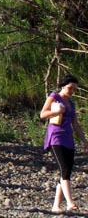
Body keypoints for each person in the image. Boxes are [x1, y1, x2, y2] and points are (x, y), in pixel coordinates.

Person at [40, 74, 88, 214]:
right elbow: (43, 114)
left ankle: (56, 206)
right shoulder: (54, 97)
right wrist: (55, 111)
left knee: (66, 172)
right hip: (56, 137)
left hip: (68, 139)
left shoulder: (71, 104)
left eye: (74, 89)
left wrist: (85, 141)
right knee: (64, 169)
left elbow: (75, 124)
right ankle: (70, 202)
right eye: (70, 88)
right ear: (63, 86)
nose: (72, 91)